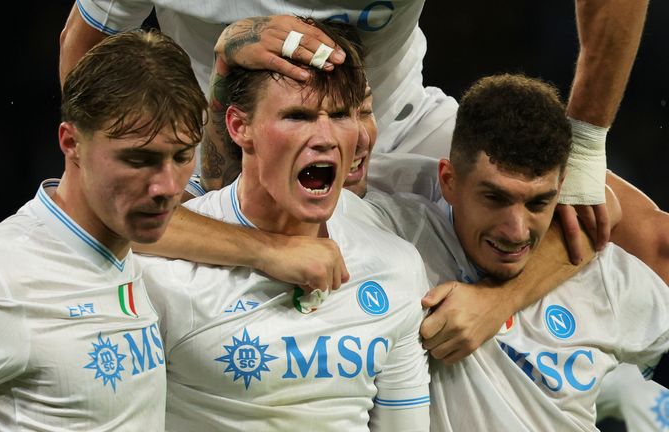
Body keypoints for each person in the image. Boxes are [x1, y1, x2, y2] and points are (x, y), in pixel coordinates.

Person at [59, 0, 649, 249]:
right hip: (226, 141)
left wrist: (586, 145)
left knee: (652, 244)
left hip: (397, 121)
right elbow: (84, 53)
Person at [0, 30, 206, 431]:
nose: (167, 187)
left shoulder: (122, 249)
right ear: (71, 142)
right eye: (138, 159)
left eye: (182, 156)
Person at [137, 20, 431, 431]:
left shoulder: (395, 264)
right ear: (240, 127)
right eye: (298, 116)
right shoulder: (163, 270)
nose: (326, 138)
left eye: (343, 114)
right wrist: (269, 250)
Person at [350, 74, 669, 430]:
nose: (517, 231)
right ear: (449, 181)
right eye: (495, 198)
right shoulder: (395, 234)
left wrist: (498, 299)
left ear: (562, 189)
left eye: (538, 202)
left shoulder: (605, 278)